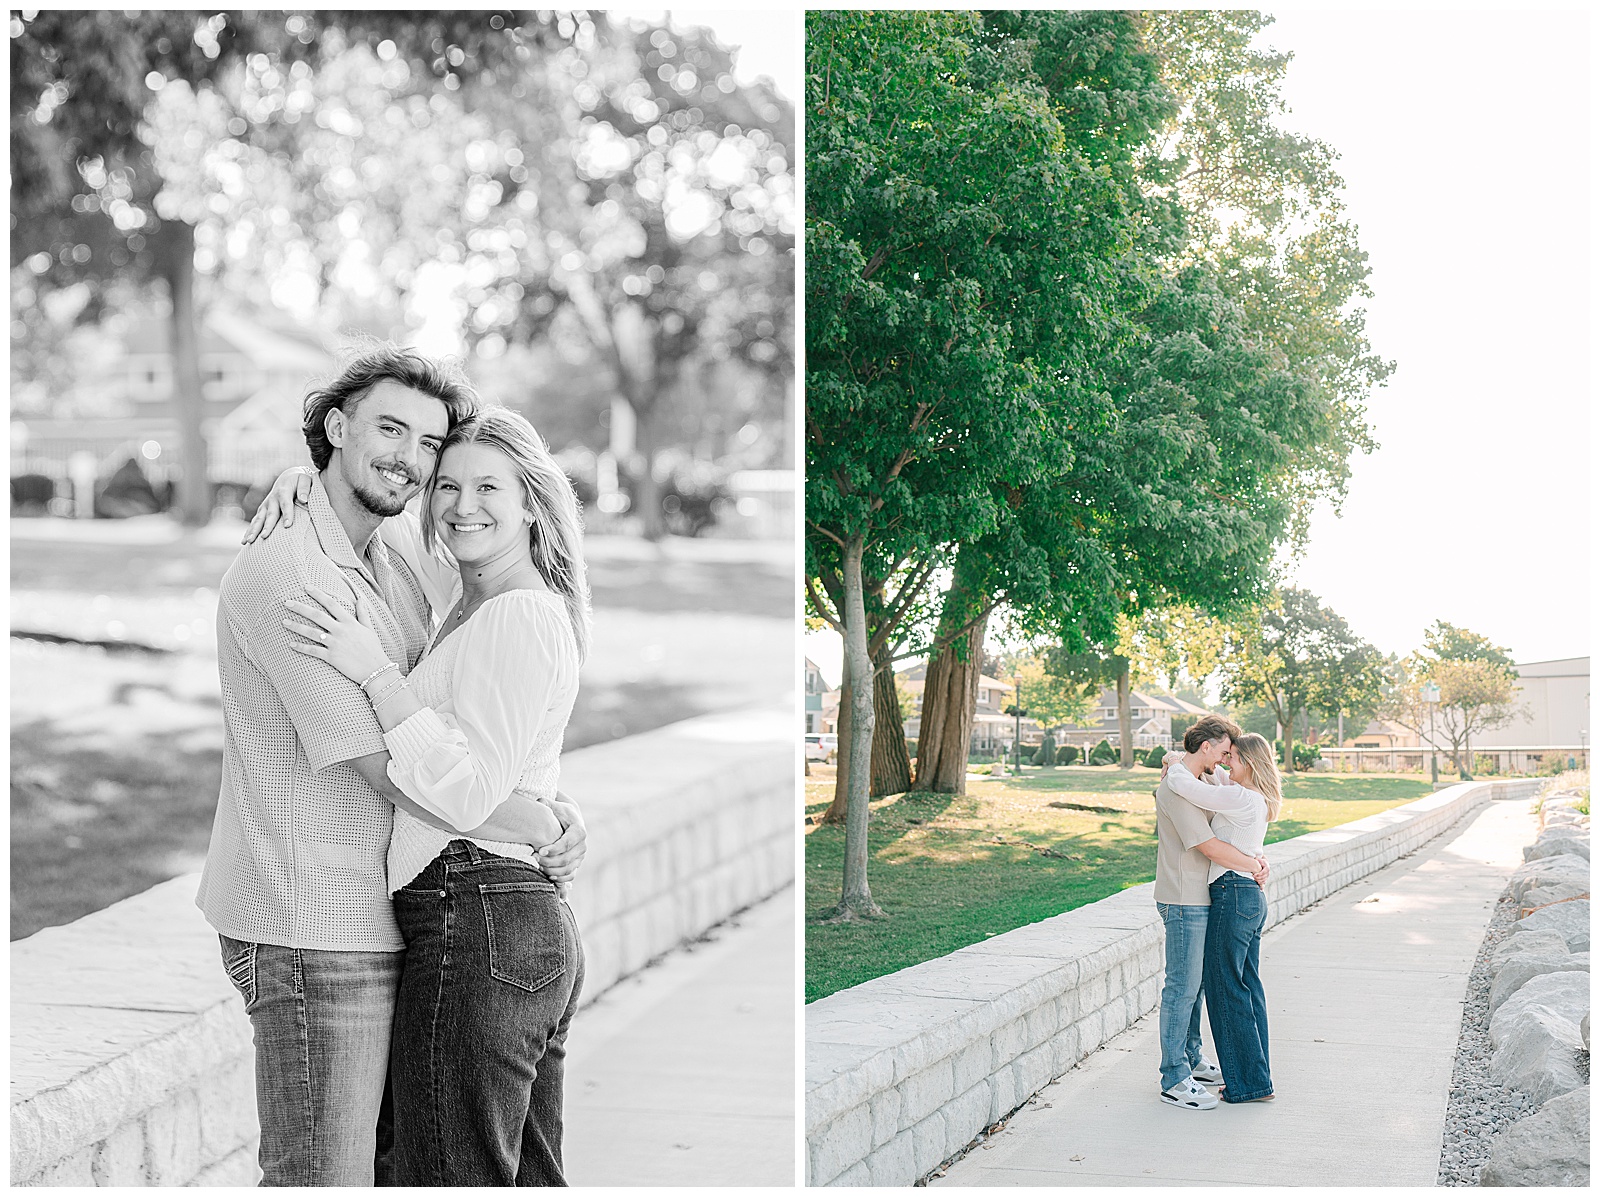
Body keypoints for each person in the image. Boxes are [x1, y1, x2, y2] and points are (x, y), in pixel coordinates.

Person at [196, 348, 585, 1185]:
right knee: (325, 1177)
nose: (411, 459)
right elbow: (385, 766)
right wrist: (539, 819)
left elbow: (462, 726)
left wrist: (558, 806)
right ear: (336, 429)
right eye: (390, 430)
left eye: (429, 444)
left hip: (406, 916)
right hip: (312, 923)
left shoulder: (398, 566)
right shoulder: (289, 571)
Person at [1151, 714, 1268, 1111]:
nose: (1223, 761)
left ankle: (1193, 1058)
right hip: (1184, 896)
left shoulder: (1199, 782)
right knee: (1182, 987)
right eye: (1221, 752)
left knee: (1197, 987)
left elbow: (1234, 828)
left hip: (1205, 895)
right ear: (1206, 746)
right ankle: (1174, 1076)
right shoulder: (1177, 788)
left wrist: (1255, 858)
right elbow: (1208, 845)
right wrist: (1253, 865)